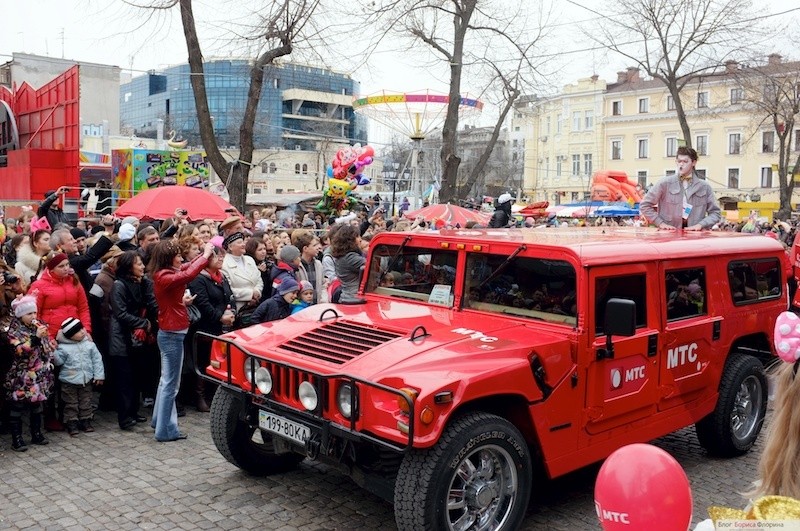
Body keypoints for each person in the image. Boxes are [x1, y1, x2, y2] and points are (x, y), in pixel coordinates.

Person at [148, 240, 213, 442]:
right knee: (171, 384)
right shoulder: (165, 276)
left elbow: (185, 268)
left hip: (170, 331)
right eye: (177, 255)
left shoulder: (163, 274)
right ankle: (165, 430)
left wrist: (201, 257)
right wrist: (204, 256)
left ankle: (159, 421)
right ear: (168, 258)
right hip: (172, 333)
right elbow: (188, 274)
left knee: (165, 381)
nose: (180, 258)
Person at [111, 251, 157, 430]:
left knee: (138, 376)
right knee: (125, 380)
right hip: (122, 337)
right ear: (129, 266)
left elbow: (150, 303)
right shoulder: (119, 285)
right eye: (139, 264)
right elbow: (120, 313)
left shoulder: (143, 283)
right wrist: (143, 323)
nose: (143, 267)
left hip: (138, 337)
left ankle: (134, 412)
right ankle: (124, 416)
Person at [4, 295, 56, 451]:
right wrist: (35, 338)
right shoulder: (13, 331)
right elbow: (20, 350)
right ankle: (17, 439)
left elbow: (46, 348)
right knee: (17, 405)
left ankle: (36, 433)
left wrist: (49, 346)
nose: (33, 316)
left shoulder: (40, 326)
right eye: (29, 314)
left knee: (37, 404)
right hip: (21, 374)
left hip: (38, 373)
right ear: (20, 315)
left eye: (34, 313)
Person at [188, 244, 235, 412]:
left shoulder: (222, 276)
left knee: (217, 361)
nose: (221, 259)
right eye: (217, 257)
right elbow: (203, 303)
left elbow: (230, 296)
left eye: (222, 256)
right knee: (203, 361)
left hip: (222, 327)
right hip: (206, 327)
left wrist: (231, 312)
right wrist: (220, 317)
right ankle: (199, 396)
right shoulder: (199, 279)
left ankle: (213, 394)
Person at [639, 146, 721, 231]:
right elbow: (644, 205)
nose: (681, 164)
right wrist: (660, 223)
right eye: (679, 161)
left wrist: (701, 225)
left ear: (694, 162)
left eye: (685, 161)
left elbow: (716, 213)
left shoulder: (704, 187)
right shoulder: (664, 183)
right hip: (669, 236)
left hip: (695, 237)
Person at [53, 317, 104, 436]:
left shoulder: (89, 345)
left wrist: (99, 375)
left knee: (86, 401)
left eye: (82, 328)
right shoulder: (63, 347)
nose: (82, 331)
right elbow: (58, 362)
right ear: (70, 335)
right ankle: (72, 422)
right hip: (69, 380)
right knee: (71, 403)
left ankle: (86, 420)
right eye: (78, 330)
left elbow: (97, 360)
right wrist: (53, 352)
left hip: (86, 379)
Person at [221, 232, 262, 326]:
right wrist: (250, 294)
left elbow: (259, 279)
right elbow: (228, 290)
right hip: (238, 309)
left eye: (243, 242)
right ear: (230, 247)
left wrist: (257, 292)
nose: (243, 244)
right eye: (239, 242)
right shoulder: (225, 264)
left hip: (256, 305)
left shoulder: (249, 259)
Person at [331, 224, 366, 304]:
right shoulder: (350, 258)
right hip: (355, 300)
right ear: (349, 240)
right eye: (357, 237)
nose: (360, 240)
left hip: (347, 297)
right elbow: (375, 268)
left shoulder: (343, 256)